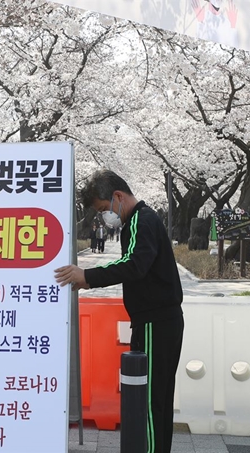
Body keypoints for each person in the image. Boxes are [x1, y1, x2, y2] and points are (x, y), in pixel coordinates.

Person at [54, 169, 184, 453]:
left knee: (149, 402)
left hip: (154, 322)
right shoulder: (144, 220)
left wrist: (87, 276)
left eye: (103, 209)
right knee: (158, 400)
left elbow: (134, 264)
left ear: (117, 196)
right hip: (162, 321)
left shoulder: (140, 221)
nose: (104, 216)